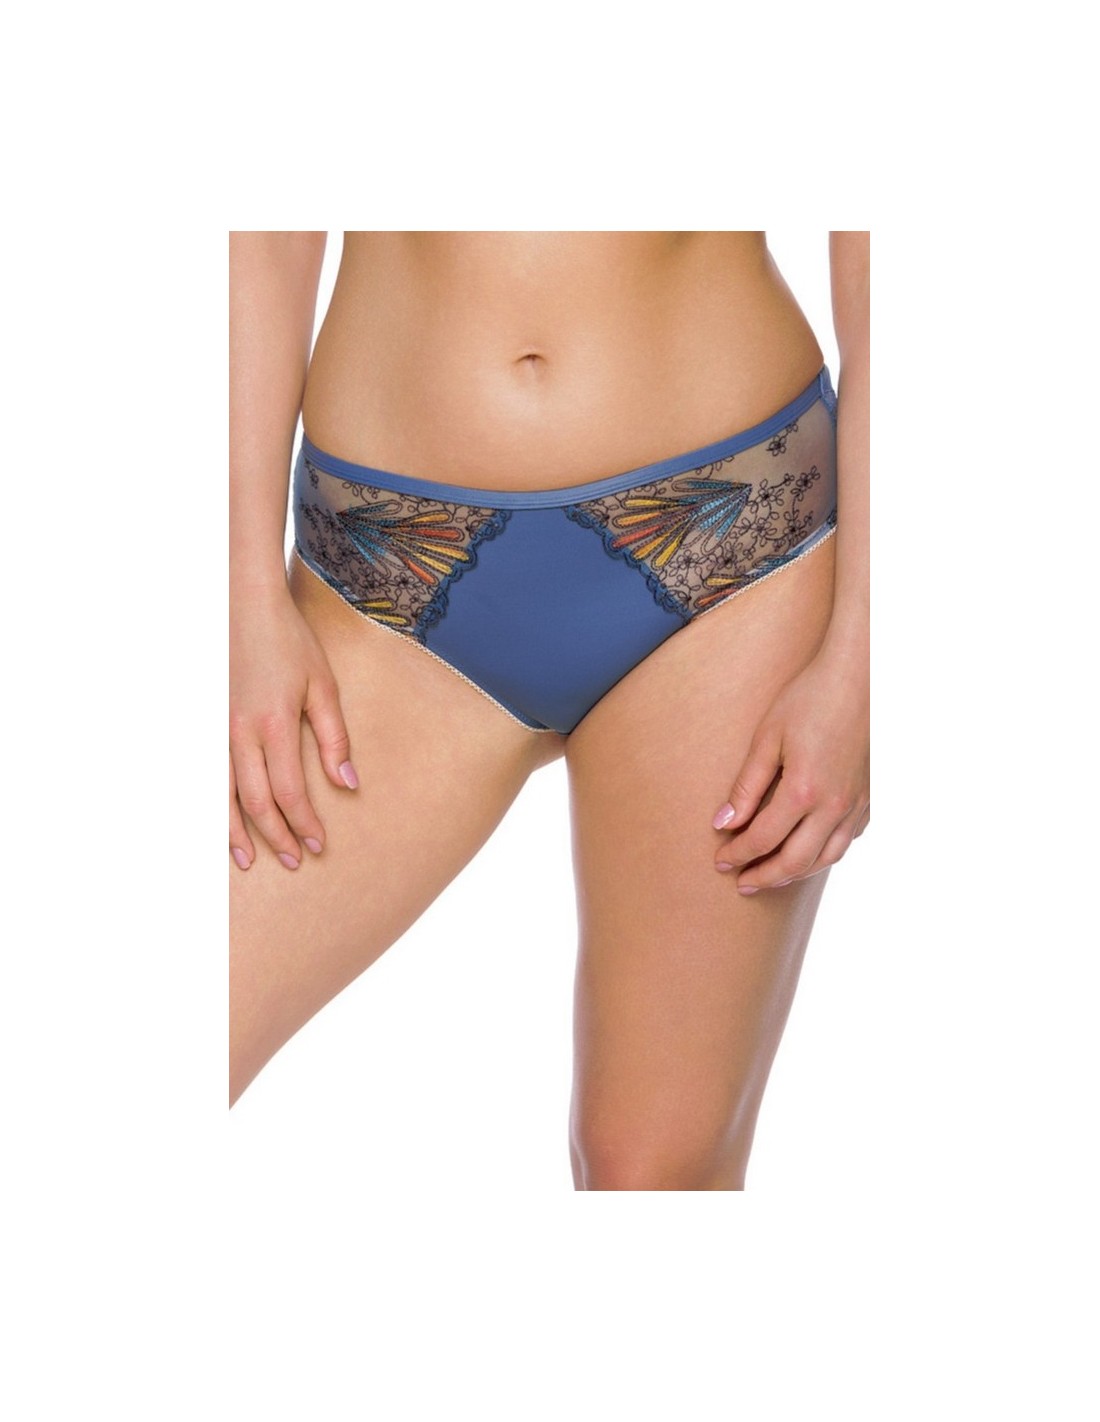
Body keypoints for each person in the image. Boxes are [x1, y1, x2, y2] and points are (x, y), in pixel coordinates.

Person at [229, 231, 870, 1190]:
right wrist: (243, 599)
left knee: (651, 1174)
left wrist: (863, 661)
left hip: (733, 541)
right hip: (380, 570)